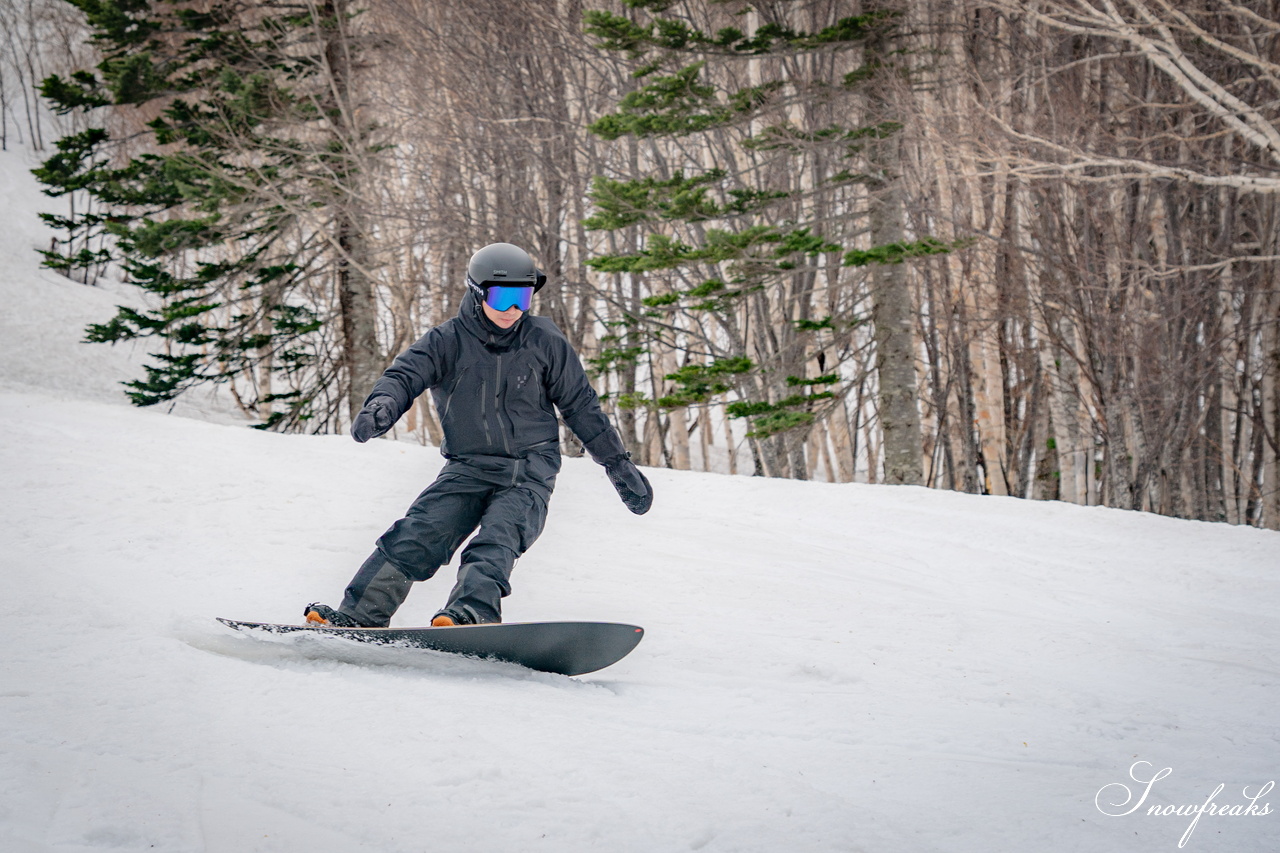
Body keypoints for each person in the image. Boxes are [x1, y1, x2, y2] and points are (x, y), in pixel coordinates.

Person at [304, 242, 652, 629]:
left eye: (522, 297)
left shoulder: (545, 341)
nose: (513, 310)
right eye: (502, 298)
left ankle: (471, 614)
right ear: (477, 291)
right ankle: (359, 616)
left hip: (530, 467)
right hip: (468, 465)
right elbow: (403, 375)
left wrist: (617, 464)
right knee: (418, 533)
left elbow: (581, 406)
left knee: (498, 539)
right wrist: (382, 404)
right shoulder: (446, 341)